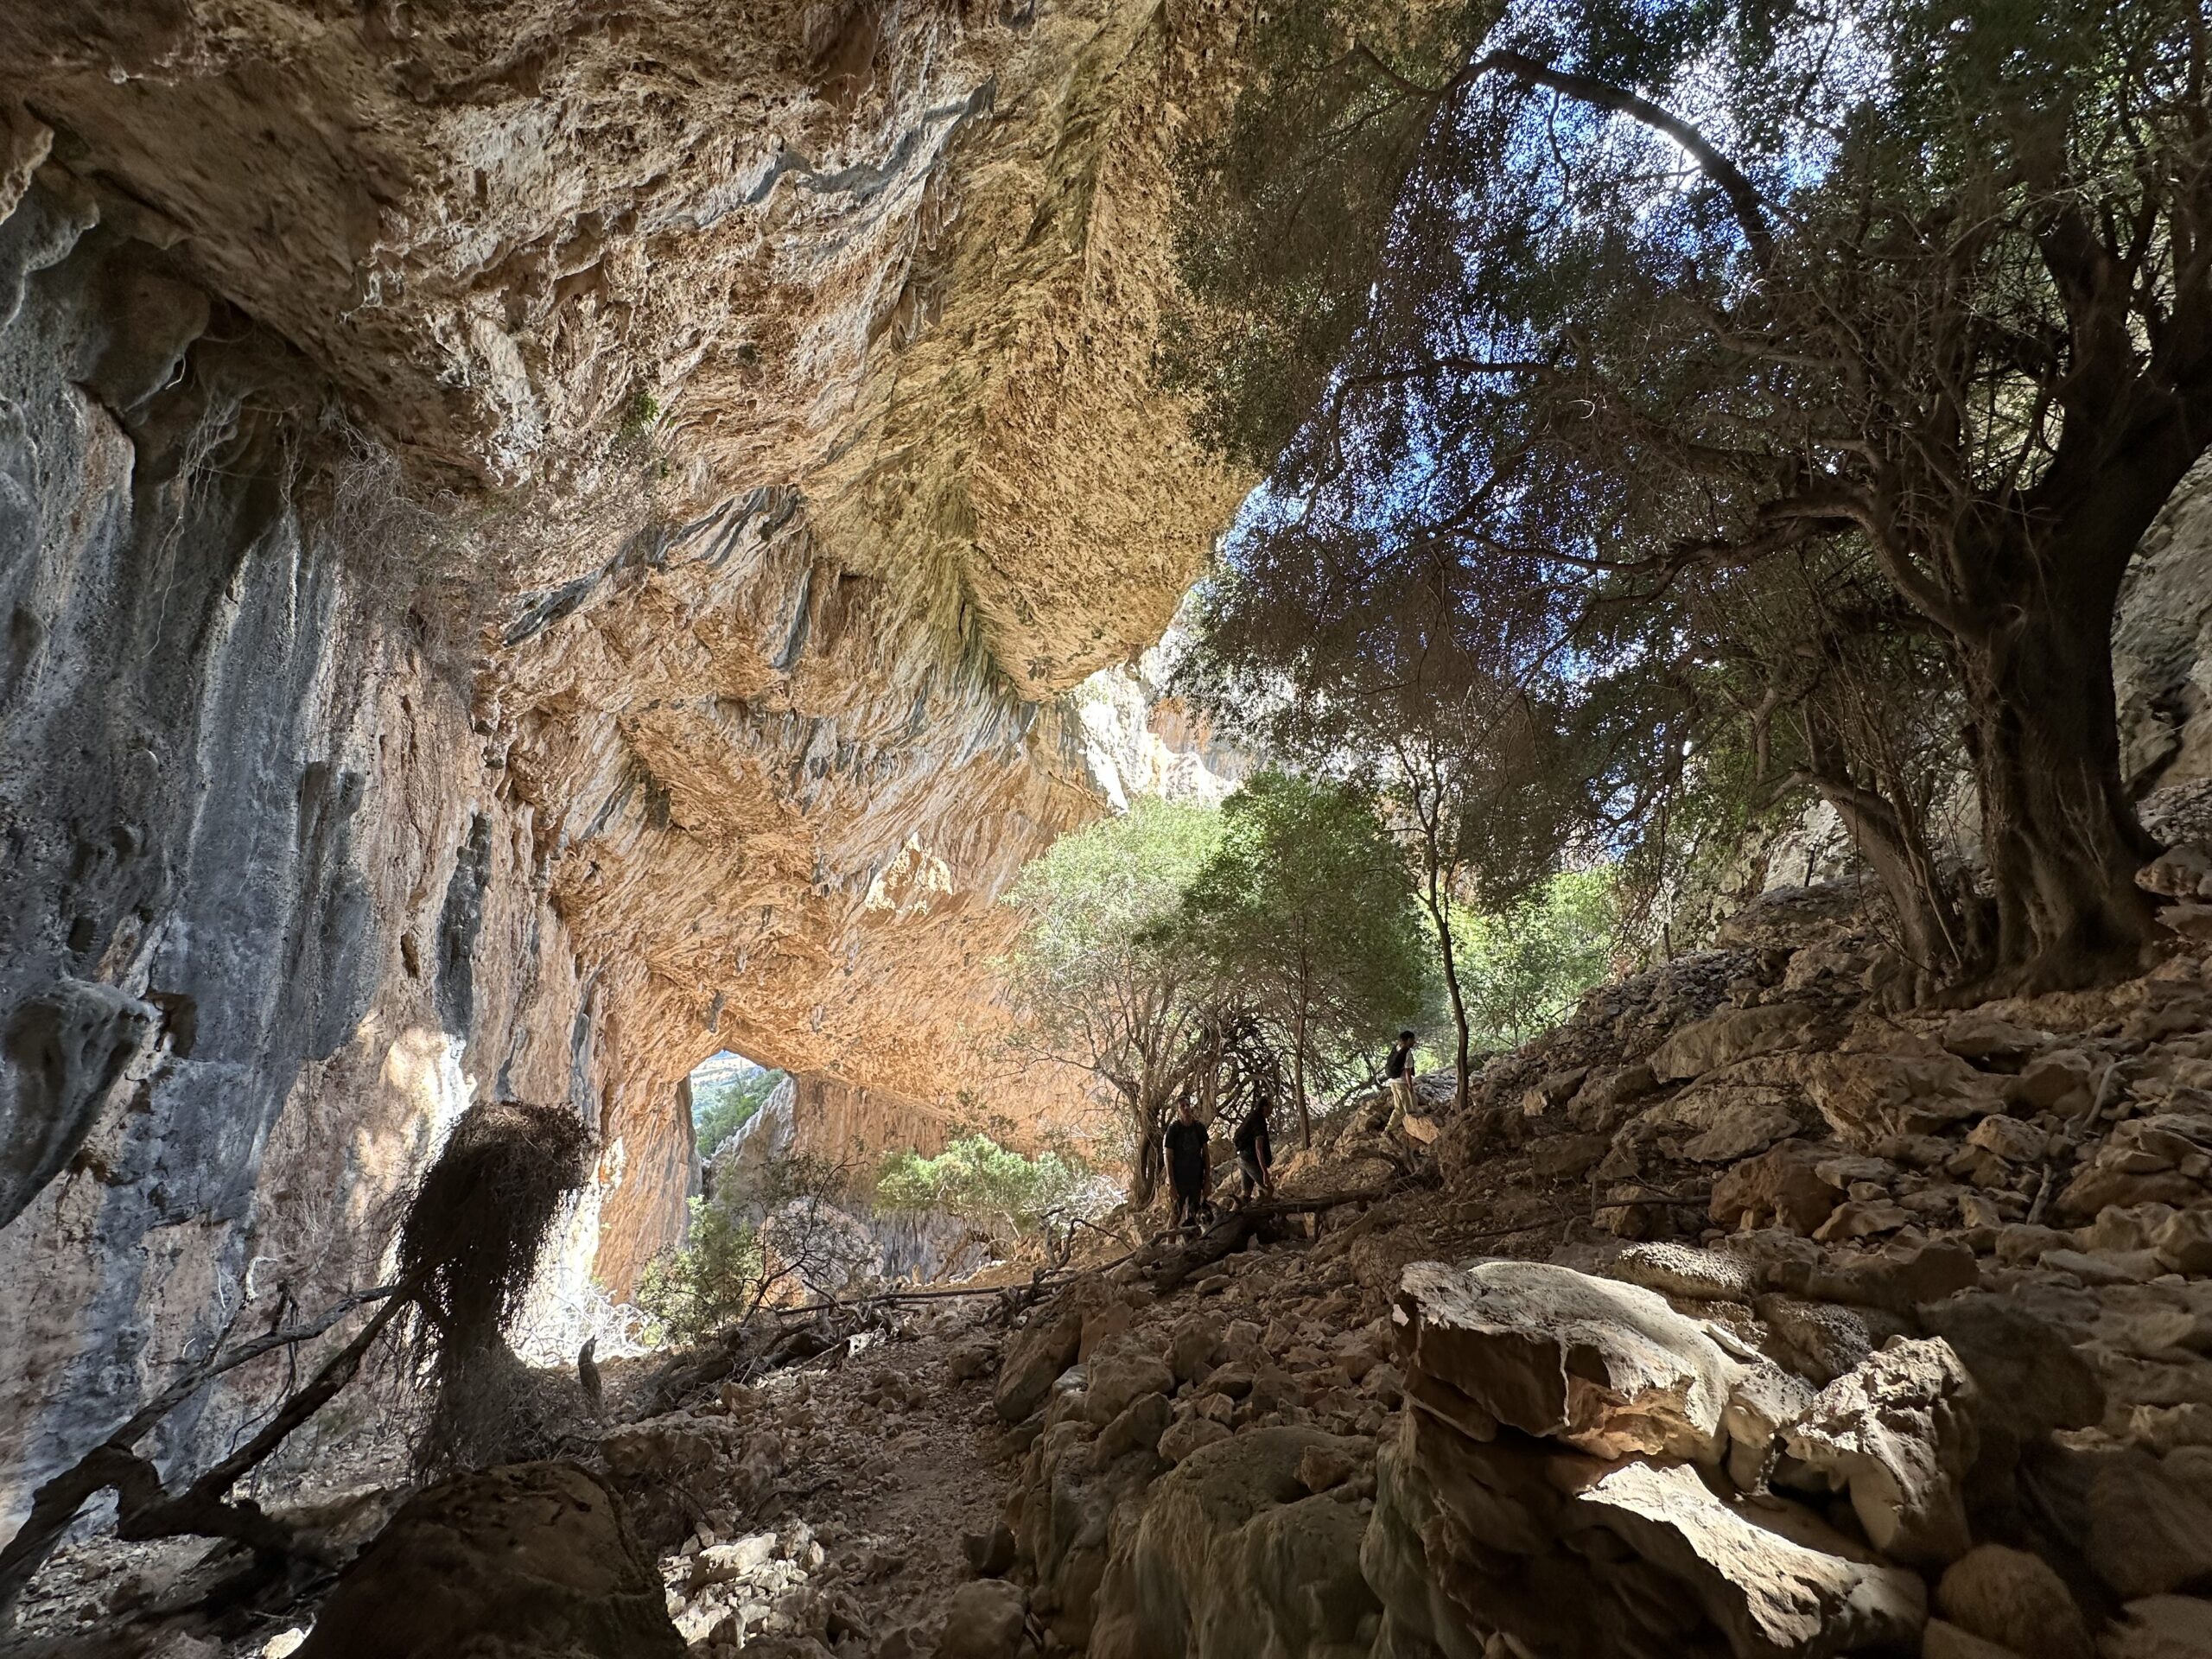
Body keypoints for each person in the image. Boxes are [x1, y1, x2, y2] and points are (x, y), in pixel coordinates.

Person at [1163, 1092, 1211, 1235]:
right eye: (1182, 1106)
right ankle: (1169, 1245)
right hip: (1179, 1179)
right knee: (1176, 1213)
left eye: (1188, 1105)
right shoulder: (1174, 1129)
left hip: (1196, 1178)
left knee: (1195, 1213)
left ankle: (1193, 1243)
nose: (1186, 1108)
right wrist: (1171, 1183)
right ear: (1178, 1110)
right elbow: (1168, 1157)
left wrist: (1207, 1180)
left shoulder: (1199, 1128)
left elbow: (1206, 1155)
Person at [1232, 1092, 1275, 1204]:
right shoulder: (1259, 1122)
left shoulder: (1251, 1116)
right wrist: (1264, 1172)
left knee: (1246, 1194)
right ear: (1264, 1107)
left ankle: (1233, 1215)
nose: (1272, 1109)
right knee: (1269, 1189)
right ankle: (1267, 1216)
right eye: (1271, 1106)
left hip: (1242, 1157)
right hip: (1249, 1160)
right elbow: (1259, 1149)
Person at [1383, 1030, 1418, 1135]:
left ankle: (1388, 1129)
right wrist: (1410, 1086)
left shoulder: (1396, 1048)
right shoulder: (1407, 1052)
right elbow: (1408, 1071)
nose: (1414, 1042)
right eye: (1412, 1040)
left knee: (1399, 1108)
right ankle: (1414, 1129)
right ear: (1407, 1040)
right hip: (1402, 1083)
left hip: (1393, 1082)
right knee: (1411, 1108)